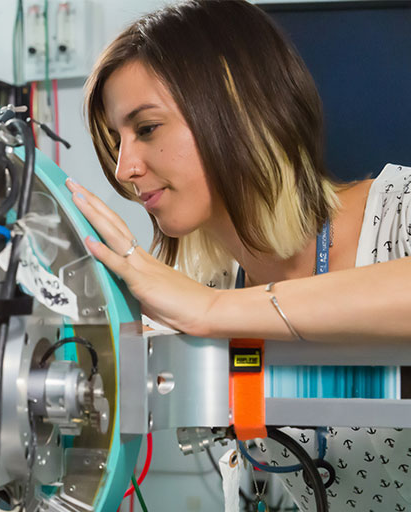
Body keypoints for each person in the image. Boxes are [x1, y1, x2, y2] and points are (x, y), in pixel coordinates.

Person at [65, 0, 411, 509]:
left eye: (147, 128)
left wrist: (210, 313)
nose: (123, 168)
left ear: (236, 110)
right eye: (117, 140)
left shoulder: (399, 209)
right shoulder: (218, 288)